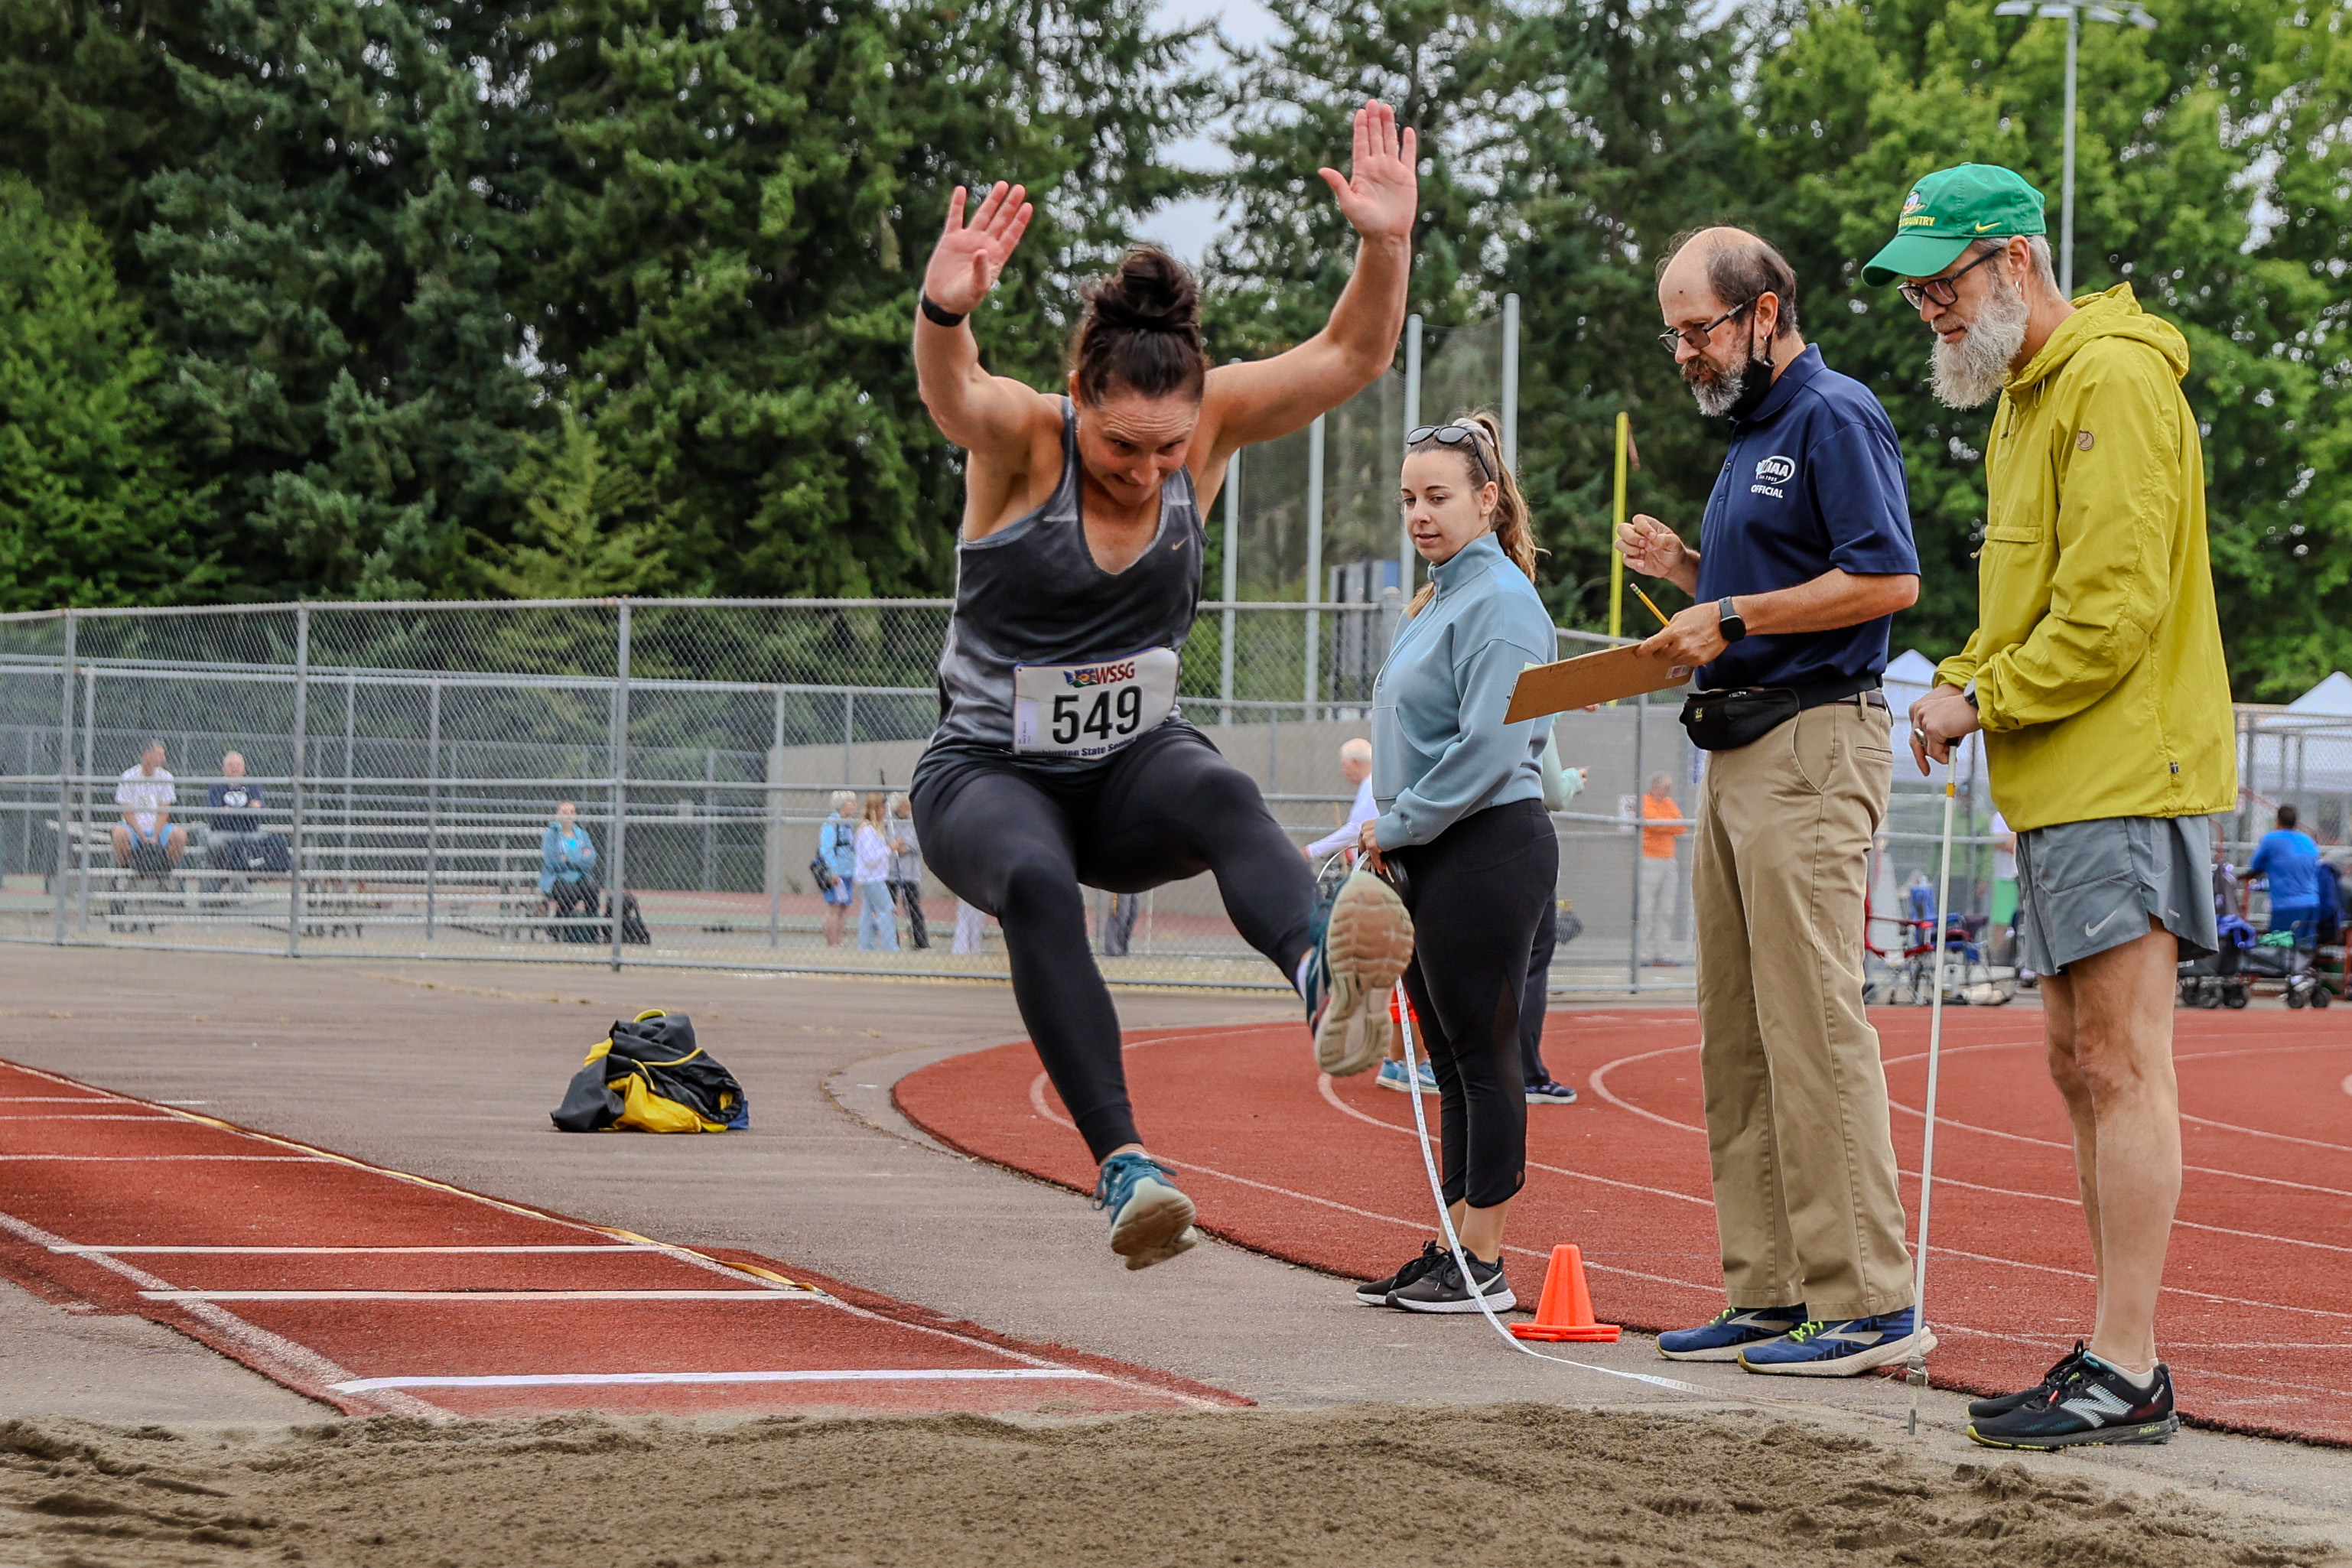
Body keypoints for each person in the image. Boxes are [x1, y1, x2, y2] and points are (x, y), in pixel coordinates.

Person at [908, 102, 1420, 1270]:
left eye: (1166, 450)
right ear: (1077, 397)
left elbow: (1351, 355)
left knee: (1224, 793)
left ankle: (1322, 974)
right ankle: (1126, 1165)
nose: (1146, 473)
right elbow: (953, 391)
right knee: (1037, 883)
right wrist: (944, 308)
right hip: (989, 775)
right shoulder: (1023, 445)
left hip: (1130, 769)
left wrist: (1382, 244)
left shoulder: (1213, 423)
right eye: (1120, 448)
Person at [1883, 162, 2234, 1447]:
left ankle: (2129, 1363)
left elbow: (2114, 609)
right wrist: (1968, 675)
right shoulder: (2024, 403)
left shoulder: (2115, 380)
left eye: (1944, 283)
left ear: (2016, 263)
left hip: (2124, 774)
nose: (1929, 309)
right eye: (1919, 291)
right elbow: (2026, 610)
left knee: (2120, 1063)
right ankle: (2111, 1353)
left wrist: (1984, 697)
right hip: (2061, 779)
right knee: (2079, 1064)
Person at [1618, 226, 1927, 1375]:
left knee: (1810, 1025)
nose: (1686, 353)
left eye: (1697, 329)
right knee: (1737, 1034)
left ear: (1762, 312)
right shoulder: (1751, 435)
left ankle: (1867, 1304)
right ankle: (1768, 1291)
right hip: (1739, 747)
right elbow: (1776, 590)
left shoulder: (1831, 414)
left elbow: (1887, 577)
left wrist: (1731, 618)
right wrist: (1693, 582)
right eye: (1675, 335)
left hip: (1810, 744)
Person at [1343, 412, 1556, 1316]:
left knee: (1483, 1050)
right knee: (1451, 1055)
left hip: (1483, 844)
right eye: (1407, 499)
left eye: (1437, 497)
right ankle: (1454, 1248)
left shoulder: (1500, 600)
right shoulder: (1441, 595)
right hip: (1435, 845)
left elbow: (1490, 749)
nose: (1419, 514)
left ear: (1487, 499)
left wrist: (1398, 823)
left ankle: (1487, 1262)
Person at [1521, 734, 1587, 1105]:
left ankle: (1472, 1066)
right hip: (1521, 839)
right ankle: (1527, 1074)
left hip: (1465, 840)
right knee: (1529, 964)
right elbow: (1553, 794)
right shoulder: (1534, 703)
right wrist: (1575, 778)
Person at [2247, 805, 2323, 943]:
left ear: (2278, 821)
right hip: (2312, 904)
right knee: (2305, 949)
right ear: (2296, 822)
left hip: (2286, 906)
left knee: (2280, 947)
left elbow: (2254, 865)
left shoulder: (2271, 839)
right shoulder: (2308, 841)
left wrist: (2269, 865)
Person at [205, 751, 283, 883]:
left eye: (238, 765)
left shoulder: (252, 786)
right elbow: (215, 815)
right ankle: (227, 880)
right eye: (230, 765)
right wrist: (246, 811)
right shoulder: (216, 786)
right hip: (223, 831)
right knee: (215, 843)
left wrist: (232, 813)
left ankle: (248, 875)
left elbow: (259, 810)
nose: (234, 768)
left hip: (249, 830)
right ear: (224, 769)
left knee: (269, 841)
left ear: (244, 768)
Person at [112, 739, 185, 877]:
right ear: (147, 755)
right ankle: (124, 871)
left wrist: (155, 836)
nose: (164, 759)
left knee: (179, 835)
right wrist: (142, 836)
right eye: (159, 754)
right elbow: (128, 813)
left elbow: (164, 812)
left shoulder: (166, 777)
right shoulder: (129, 776)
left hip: (158, 828)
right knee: (119, 834)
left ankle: (166, 872)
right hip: (133, 828)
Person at [1638, 773, 1687, 965]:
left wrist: (1664, 824)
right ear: (1655, 786)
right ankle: (1642, 953)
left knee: (1666, 910)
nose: (1669, 790)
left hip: (1669, 860)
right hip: (1649, 859)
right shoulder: (1646, 802)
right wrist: (1667, 825)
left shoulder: (1669, 804)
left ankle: (1662, 953)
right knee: (1646, 909)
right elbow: (1651, 822)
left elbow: (1680, 827)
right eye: (1666, 786)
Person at [1303, 738, 1376, 862]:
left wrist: (1312, 851)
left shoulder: (1371, 786)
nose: (1344, 770)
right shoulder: (1371, 784)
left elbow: (1356, 828)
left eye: (1344, 764)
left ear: (1355, 762)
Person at [540, 801, 600, 942]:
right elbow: (553, 862)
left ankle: (592, 933)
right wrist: (579, 858)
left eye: (572, 812)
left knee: (591, 890)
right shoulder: (551, 835)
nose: (568, 815)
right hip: (556, 877)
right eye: (564, 812)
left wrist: (568, 859)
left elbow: (591, 860)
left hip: (580, 876)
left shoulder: (582, 835)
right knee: (569, 893)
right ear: (558, 815)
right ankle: (555, 932)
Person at [853, 792, 898, 952]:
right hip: (872, 878)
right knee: (887, 909)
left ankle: (866, 946)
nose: (885, 812)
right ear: (876, 809)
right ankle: (891, 947)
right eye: (883, 808)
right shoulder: (867, 831)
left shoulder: (874, 829)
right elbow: (870, 858)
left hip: (873, 877)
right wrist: (889, 849)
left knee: (868, 912)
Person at [886, 792, 929, 949]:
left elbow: (919, 844)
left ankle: (921, 941)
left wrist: (907, 846)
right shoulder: (889, 821)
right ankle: (892, 941)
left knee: (914, 907)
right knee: (890, 908)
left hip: (910, 873)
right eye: (905, 805)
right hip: (891, 871)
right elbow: (888, 842)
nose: (909, 808)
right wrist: (896, 846)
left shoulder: (915, 821)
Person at [817, 791, 857, 948]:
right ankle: (831, 943)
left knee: (843, 908)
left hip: (848, 872)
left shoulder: (847, 825)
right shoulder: (831, 824)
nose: (854, 805)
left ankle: (839, 942)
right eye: (851, 802)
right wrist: (834, 871)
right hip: (837, 873)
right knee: (834, 907)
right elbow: (827, 849)